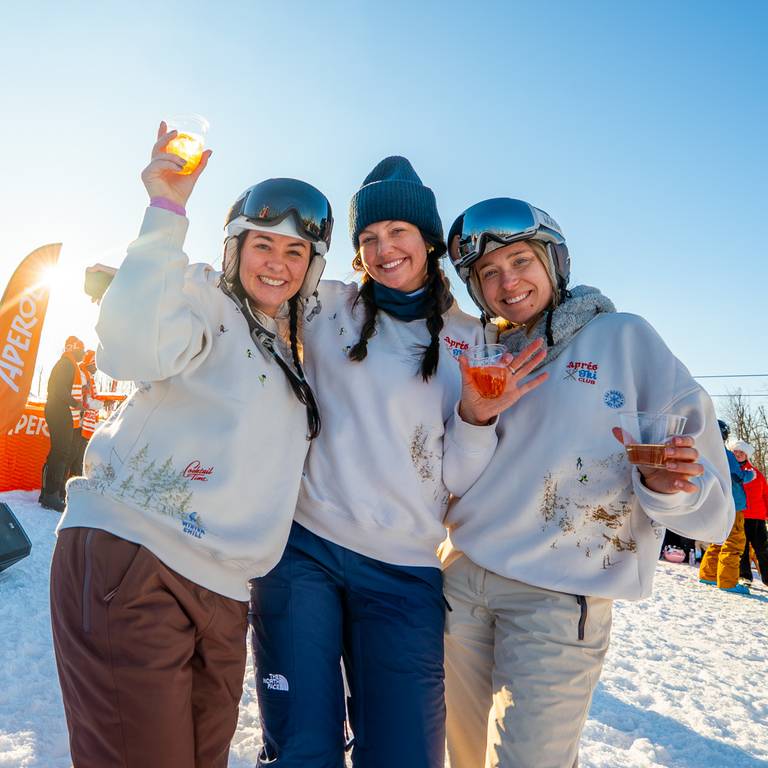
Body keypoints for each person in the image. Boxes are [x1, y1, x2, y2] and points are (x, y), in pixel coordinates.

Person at [49, 122, 332, 768]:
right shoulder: (207, 299)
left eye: (296, 254)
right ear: (237, 249)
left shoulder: (295, 352)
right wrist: (165, 212)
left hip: (227, 594)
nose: (278, 265)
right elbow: (130, 346)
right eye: (264, 245)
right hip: (135, 556)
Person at [249, 158, 546, 768]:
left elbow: (459, 479)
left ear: (429, 240)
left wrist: (474, 416)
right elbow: (253, 288)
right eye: (369, 238)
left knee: (405, 754)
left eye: (398, 233)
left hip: (405, 573)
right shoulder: (325, 308)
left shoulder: (473, 340)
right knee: (303, 749)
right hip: (303, 552)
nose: (384, 249)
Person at [439, 197, 734, 768]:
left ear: (554, 260)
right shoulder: (485, 353)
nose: (508, 282)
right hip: (463, 584)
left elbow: (714, 519)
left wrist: (667, 483)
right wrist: (474, 416)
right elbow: (457, 471)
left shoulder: (624, 339)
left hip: (557, 599)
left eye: (521, 261)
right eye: (488, 273)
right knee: (464, 757)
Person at [699, 420, 755, 593]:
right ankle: (728, 581)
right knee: (734, 541)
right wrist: (750, 474)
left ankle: (708, 574)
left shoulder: (705, 451)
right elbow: (736, 477)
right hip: (733, 503)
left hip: (716, 502)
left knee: (718, 537)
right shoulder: (726, 454)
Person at [40, 335, 85, 512]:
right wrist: (75, 403)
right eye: (81, 349)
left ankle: (49, 493)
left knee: (58, 452)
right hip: (60, 411)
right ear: (74, 348)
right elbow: (58, 388)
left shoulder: (65, 363)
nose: (82, 353)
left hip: (58, 410)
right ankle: (51, 495)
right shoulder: (66, 364)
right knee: (61, 452)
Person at [729, 439, 768, 586]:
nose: (738, 454)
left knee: (762, 548)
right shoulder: (730, 471)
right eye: (736, 452)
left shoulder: (755, 473)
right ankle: (744, 576)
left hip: (758, 517)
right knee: (741, 548)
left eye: (741, 452)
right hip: (740, 515)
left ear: (747, 455)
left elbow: (766, 494)